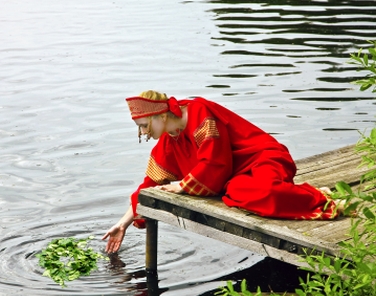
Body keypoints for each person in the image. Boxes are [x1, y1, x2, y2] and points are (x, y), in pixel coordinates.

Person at [102, 90, 338, 254]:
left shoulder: (199, 113)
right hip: (236, 178)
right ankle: (299, 194)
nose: (142, 133)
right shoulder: (169, 140)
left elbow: (216, 162)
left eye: (144, 126)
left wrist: (183, 185)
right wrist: (122, 223)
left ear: (162, 115)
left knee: (265, 192)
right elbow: (148, 185)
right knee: (237, 192)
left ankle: (321, 199)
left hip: (263, 159)